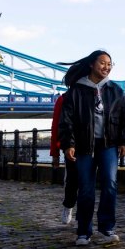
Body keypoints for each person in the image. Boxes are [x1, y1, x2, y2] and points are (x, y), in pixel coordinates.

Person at [58, 50, 125, 246]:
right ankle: (84, 231)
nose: (106, 67)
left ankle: (107, 228)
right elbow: (67, 121)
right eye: (102, 63)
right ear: (91, 64)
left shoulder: (116, 91)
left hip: (108, 145)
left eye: (109, 64)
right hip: (83, 146)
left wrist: (124, 142)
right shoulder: (76, 91)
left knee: (110, 184)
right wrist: (68, 144)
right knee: (86, 188)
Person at [50, 92, 79, 224]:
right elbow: (56, 126)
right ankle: (68, 205)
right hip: (71, 145)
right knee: (72, 179)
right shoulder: (63, 99)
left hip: (92, 144)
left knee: (88, 182)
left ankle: (84, 217)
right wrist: (55, 153)